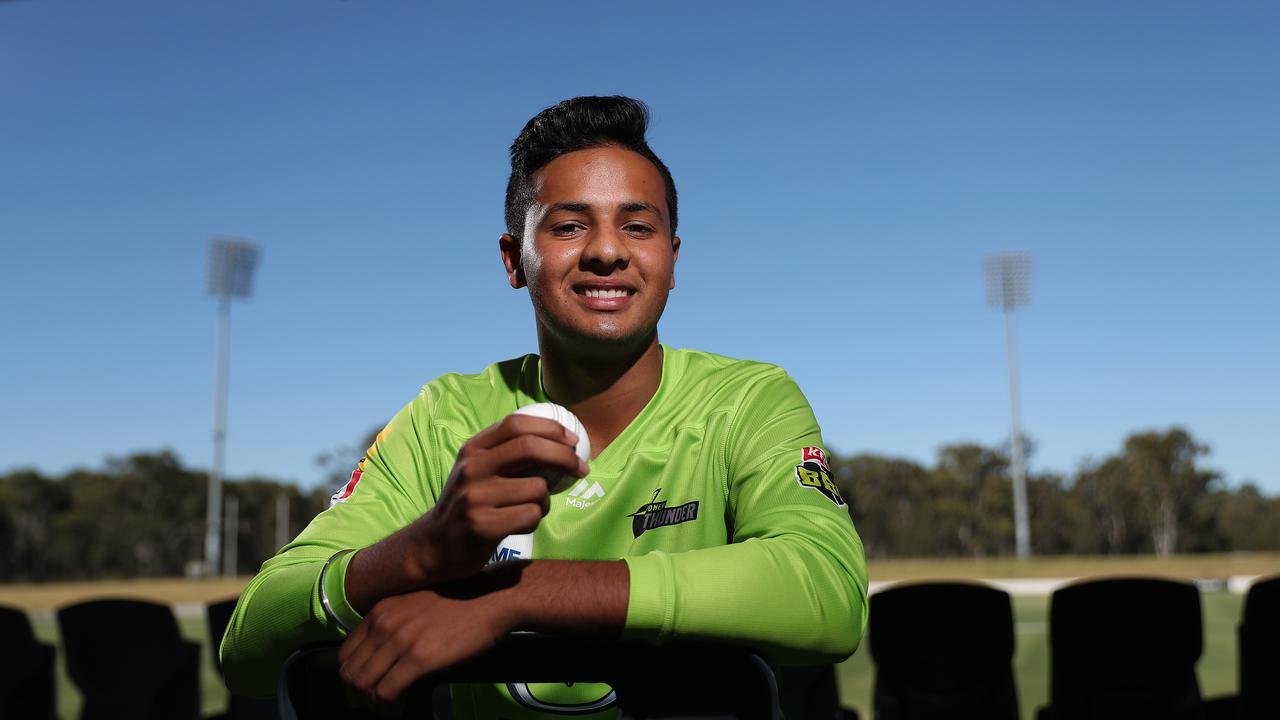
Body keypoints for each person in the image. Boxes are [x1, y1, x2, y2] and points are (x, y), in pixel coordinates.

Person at [220, 95, 867, 718]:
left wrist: (518, 596)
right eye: (569, 226)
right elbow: (248, 643)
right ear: (514, 260)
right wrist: (422, 550)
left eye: (637, 226)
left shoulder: (748, 400)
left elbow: (827, 594)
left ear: (672, 259)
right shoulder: (445, 415)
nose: (608, 250)